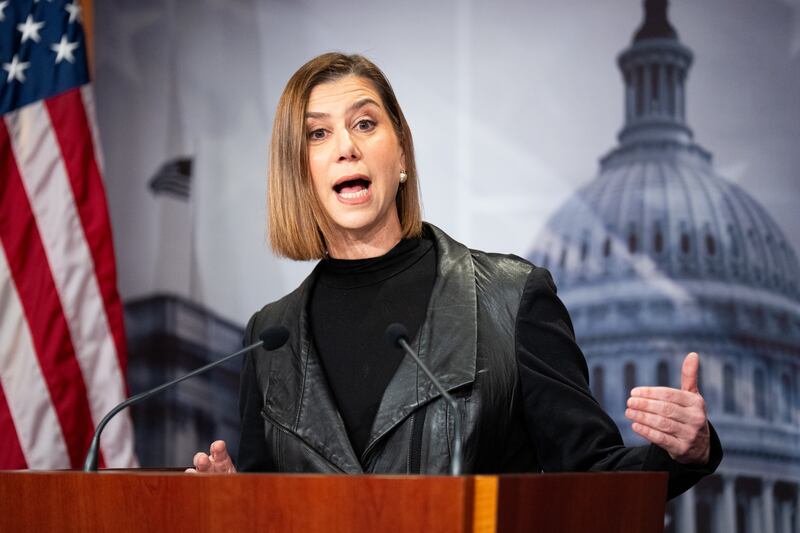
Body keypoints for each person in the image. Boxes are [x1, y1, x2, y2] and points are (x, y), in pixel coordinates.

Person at [188, 53, 721, 498]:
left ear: (400, 153)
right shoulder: (269, 339)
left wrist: (686, 454)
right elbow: (269, 501)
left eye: (365, 124)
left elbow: (586, 478)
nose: (346, 146)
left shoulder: (512, 300)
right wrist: (237, 504)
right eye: (318, 134)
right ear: (298, 173)